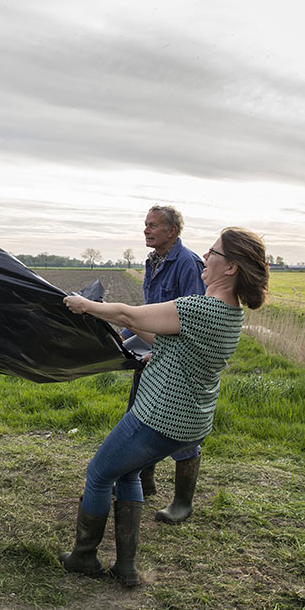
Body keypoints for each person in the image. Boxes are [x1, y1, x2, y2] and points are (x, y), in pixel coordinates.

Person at [59, 227, 268, 586]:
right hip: (190, 422)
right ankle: (125, 568)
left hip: (156, 418)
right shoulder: (231, 314)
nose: (205, 257)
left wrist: (86, 306)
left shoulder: (200, 307)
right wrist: (159, 350)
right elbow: (169, 341)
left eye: (213, 253)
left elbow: (128, 315)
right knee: (126, 473)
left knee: (98, 475)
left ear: (230, 267)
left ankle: (84, 555)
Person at [125, 205, 206, 521]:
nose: (146, 230)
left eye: (154, 225)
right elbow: (148, 311)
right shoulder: (152, 261)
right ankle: (144, 481)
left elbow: (195, 322)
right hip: (150, 355)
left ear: (173, 230)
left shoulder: (188, 265)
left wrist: (162, 353)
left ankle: (183, 503)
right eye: (145, 224)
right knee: (139, 416)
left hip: (176, 363)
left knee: (180, 429)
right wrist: (122, 336)